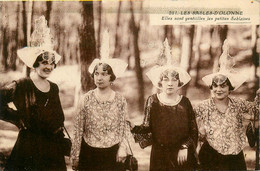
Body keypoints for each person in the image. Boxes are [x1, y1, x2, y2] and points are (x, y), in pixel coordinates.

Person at [0, 16, 67, 170]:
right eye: (44, 63)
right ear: (36, 63)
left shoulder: (54, 87)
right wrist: (16, 119)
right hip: (28, 147)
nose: (48, 67)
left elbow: (58, 117)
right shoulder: (22, 85)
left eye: (51, 63)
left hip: (52, 148)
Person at [131, 39, 198, 170]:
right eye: (166, 80)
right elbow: (147, 127)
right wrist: (134, 127)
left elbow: (193, 130)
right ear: (160, 82)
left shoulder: (185, 102)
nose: (170, 83)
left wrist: (185, 148)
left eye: (174, 80)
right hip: (159, 155)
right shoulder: (153, 101)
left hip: (181, 154)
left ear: (179, 83)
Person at [71, 30, 132, 170]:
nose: (99, 78)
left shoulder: (120, 100)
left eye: (104, 74)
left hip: (113, 153)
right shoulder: (86, 99)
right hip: (89, 153)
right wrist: (75, 155)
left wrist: (123, 148)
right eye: (96, 74)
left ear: (112, 77)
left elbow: (125, 126)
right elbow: (78, 128)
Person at [194, 40, 259, 170]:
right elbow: (187, 121)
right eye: (215, 86)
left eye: (223, 86)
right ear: (211, 88)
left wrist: (258, 95)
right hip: (210, 156)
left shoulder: (239, 104)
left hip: (234, 158)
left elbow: (256, 109)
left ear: (230, 88)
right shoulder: (203, 106)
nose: (219, 89)